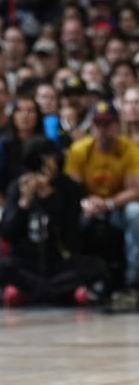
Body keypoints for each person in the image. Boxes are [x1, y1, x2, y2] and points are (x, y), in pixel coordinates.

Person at [0, 138, 108, 307]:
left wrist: (50, 198)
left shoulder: (69, 188)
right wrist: (24, 204)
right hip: (26, 261)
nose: (44, 167)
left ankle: (30, 293)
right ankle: (60, 293)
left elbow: (72, 237)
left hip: (59, 261)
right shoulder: (18, 186)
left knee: (96, 266)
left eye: (48, 159)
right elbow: (8, 234)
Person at [65, 100, 139, 305]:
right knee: (69, 215)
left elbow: (135, 190)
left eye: (107, 124)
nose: (103, 129)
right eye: (98, 124)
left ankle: (133, 283)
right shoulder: (79, 150)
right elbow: (72, 190)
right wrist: (85, 203)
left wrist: (107, 204)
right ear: (92, 126)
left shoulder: (130, 150)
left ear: (117, 125)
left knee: (136, 213)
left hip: (117, 207)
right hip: (87, 206)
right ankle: (77, 281)